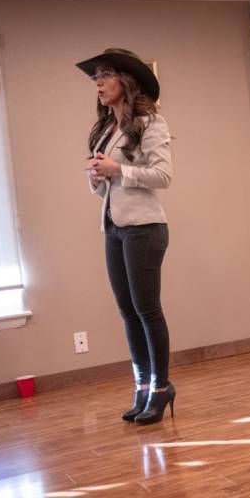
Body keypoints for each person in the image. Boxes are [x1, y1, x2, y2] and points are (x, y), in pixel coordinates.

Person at [77, 48, 175, 425]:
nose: (98, 83)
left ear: (126, 81)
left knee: (147, 310)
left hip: (145, 229)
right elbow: (106, 190)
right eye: (95, 78)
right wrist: (97, 177)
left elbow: (164, 177)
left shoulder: (152, 122)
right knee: (127, 312)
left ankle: (161, 388)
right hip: (114, 228)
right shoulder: (106, 130)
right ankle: (141, 386)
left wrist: (119, 169)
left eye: (105, 76)